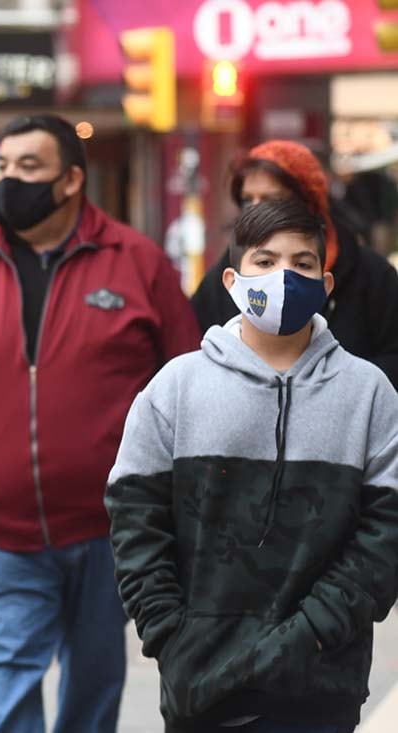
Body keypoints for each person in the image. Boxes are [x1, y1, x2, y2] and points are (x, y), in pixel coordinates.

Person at [0, 113, 200, 733]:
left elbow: (186, 384)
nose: (10, 181)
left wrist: (160, 493)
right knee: (6, 678)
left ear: (71, 181)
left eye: (29, 167)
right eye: (3, 166)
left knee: (95, 682)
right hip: (0, 531)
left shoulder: (136, 263)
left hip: (111, 529)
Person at [106, 198, 398, 733]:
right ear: (233, 280)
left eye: (302, 263)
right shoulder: (176, 387)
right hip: (201, 680)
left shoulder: (369, 394)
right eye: (265, 261)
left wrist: (313, 634)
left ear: (326, 284)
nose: (284, 275)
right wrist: (169, 635)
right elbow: (134, 519)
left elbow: (387, 535)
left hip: (322, 682)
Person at [192, 140, 398, 390]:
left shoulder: (372, 276)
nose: (256, 210)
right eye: (247, 200)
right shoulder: (225, 281)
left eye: (272, 199)